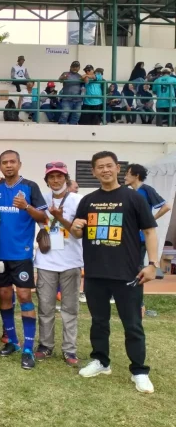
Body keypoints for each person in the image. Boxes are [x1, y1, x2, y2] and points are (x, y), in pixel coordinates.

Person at [71, 151, 157, 394]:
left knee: (132, 324)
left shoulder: (134, 198)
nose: (105, 170)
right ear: (95, 171)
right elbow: (78, 232)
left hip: (128, 273)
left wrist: (152, 264)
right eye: (100, 167)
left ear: (117, 168)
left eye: (109, 166)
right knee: (99, 322)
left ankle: (139, 370)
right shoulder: (88, 200)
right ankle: (101, 361)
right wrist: (76, 228)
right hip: (96, 273)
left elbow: (150, 231)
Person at [0, 150, 48, 370]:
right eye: (4, 162)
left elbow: (44, 218)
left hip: (21, 254)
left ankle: (29, 348)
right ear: (0, 166)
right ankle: (12, 341)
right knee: (4, 295)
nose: (9, 165)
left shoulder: (30, 187)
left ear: (19, 164)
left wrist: (27, 207)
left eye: (12, 162)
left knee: (23, 296)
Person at [33, 162, 83, 366]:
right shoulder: (41, 199)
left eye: (59, 176)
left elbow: (79, 232)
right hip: (46, 261)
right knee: (45, 307)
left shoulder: (78, 201)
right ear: (46, 180)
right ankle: (45, 346)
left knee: (70, 308)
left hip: (71, 261)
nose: (55, 180)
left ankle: (69, 349)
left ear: (66, 178)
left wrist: (60, 218)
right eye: (51, 177)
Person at [124, 163, 172, 262]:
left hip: (141, 237)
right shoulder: (128, 192)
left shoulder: (147, 190)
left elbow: (166, 206)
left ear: (136, 175)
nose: (125, 177)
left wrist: (151, 219)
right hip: (128, 235)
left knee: (136, 264)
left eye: (128, 174)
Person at [58, 61, 85, 125]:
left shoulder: (80, 76)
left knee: (77, 115)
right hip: (67, 99)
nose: (75, 68)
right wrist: (63, 77)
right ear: (70, 67)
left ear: (79, 68)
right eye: (73, 67)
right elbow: (60, 79)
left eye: (77, 67)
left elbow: (84, 85)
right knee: (65, 115)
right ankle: (61, 129)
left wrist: (86, 78)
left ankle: (72, 129)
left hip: (78, 100)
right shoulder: (65, 73)